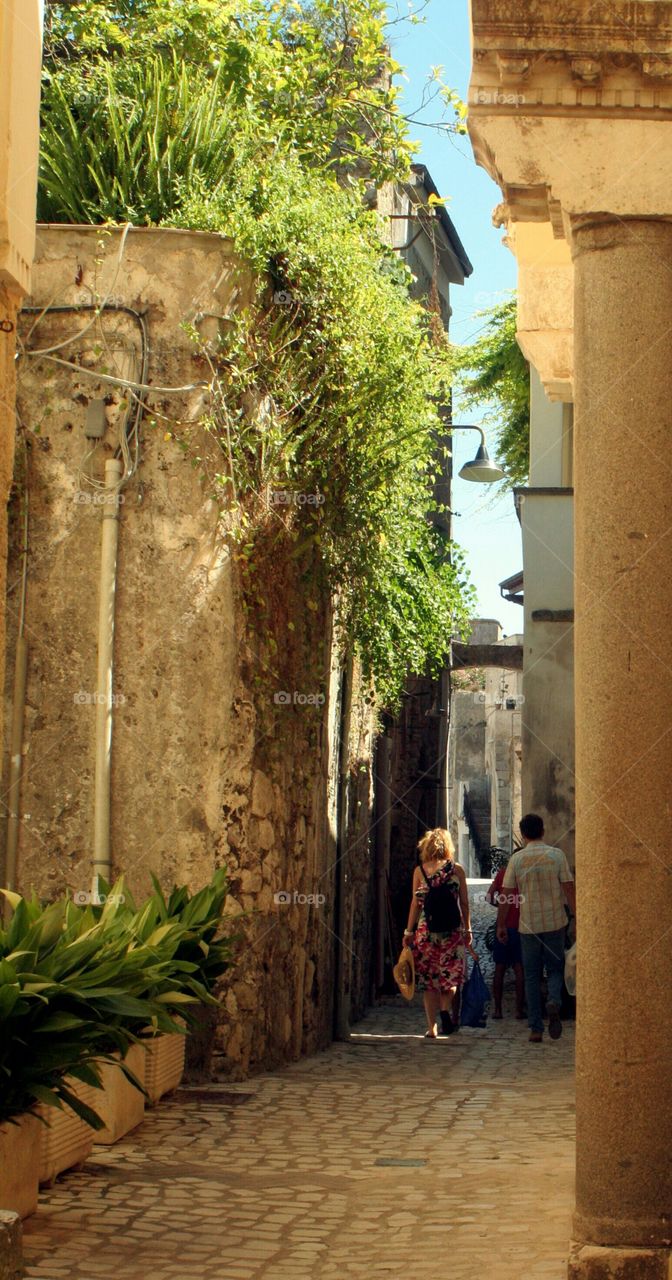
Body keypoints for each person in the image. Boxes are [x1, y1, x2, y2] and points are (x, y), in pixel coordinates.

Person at [496, 813, 575, 1043]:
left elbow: (506, 895)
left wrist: (501, 924)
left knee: (530, 975)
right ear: (543, 830)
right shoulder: (557, 855)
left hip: (528, 925)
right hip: (555, 922)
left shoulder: (517, 860)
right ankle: (553, 1001)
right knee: (555, 968)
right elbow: (569, 888)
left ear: (523, 835)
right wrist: (578, 917)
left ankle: (535, 1028)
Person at [403, 828, 471, 1038]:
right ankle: (445, 1009)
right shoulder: (457, 870)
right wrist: (467, 928)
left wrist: (408, 931)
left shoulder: (420, 871)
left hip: (426, 931)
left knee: (429, 979)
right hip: (452, 930)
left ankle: (432, 1027)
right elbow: (465, 903)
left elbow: (415, 903)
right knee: (451, 976)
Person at [486, 859, 525, 1020]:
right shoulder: (526, 874)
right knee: (519, 968)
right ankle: (519, 1010)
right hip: (522, 927)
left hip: (502, 926)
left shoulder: (503, 873)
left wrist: (501, 905)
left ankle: (497, 1010)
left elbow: (489, 897)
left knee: (499, 968)